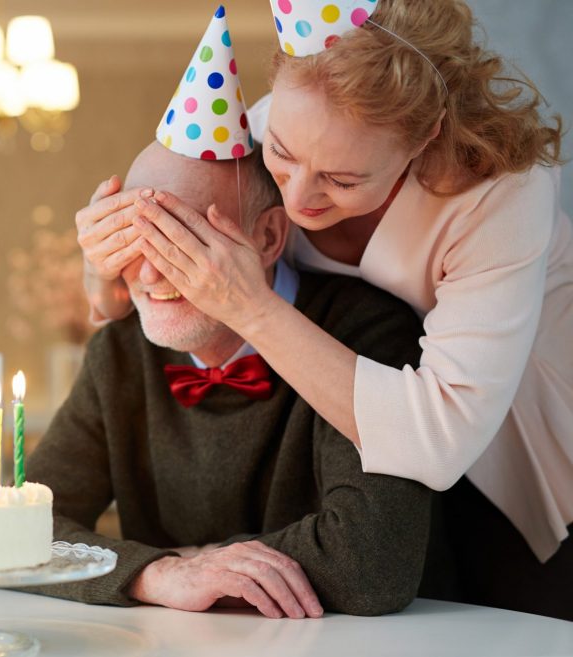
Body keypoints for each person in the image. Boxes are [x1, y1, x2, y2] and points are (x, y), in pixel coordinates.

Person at [77, 0, 572, 619]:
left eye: (341, 180)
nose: (297, 196)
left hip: (516, 433)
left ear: (424, 140)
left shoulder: (500, 190)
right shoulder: (257, 135)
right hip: (370, 437)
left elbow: (440, 440)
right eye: (282, 152)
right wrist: (102, 272)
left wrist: (250, 307)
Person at [23, 137, 457, 617]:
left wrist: (205, 565)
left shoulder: (366, 331)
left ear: (268, 238)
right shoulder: (120, 352)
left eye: (182, 239)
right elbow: (16, 533)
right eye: (133, 237)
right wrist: (157, 573)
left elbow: (373, 566)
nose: (147, 273)